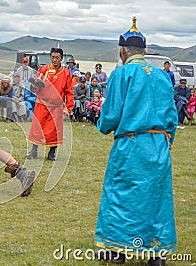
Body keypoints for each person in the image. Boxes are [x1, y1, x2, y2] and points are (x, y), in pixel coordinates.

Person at [93, 18, 178, 266]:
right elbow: (171, 116)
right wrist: (167, 141)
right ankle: (156, 254)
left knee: (122, 194)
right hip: (159, 145)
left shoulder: (122, 74)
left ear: (122, 51)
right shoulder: (163, 77)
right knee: (156, 196)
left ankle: (117, 251)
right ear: (144, 51)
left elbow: (111, 115)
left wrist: (103, 125)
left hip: (132, 144)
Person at [26, 47, 74, 161]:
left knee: (54, 130)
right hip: (42, 104)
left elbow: (69, 92)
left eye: (57, 58)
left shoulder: (66, 73)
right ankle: (34, 151)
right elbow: (35, 87)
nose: (55, 60)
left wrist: (68, 108)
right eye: (53, 57)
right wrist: (34, 85)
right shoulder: (43, 70)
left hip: (56, 106)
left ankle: (52, 153)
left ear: (61, 58)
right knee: (38, 128)